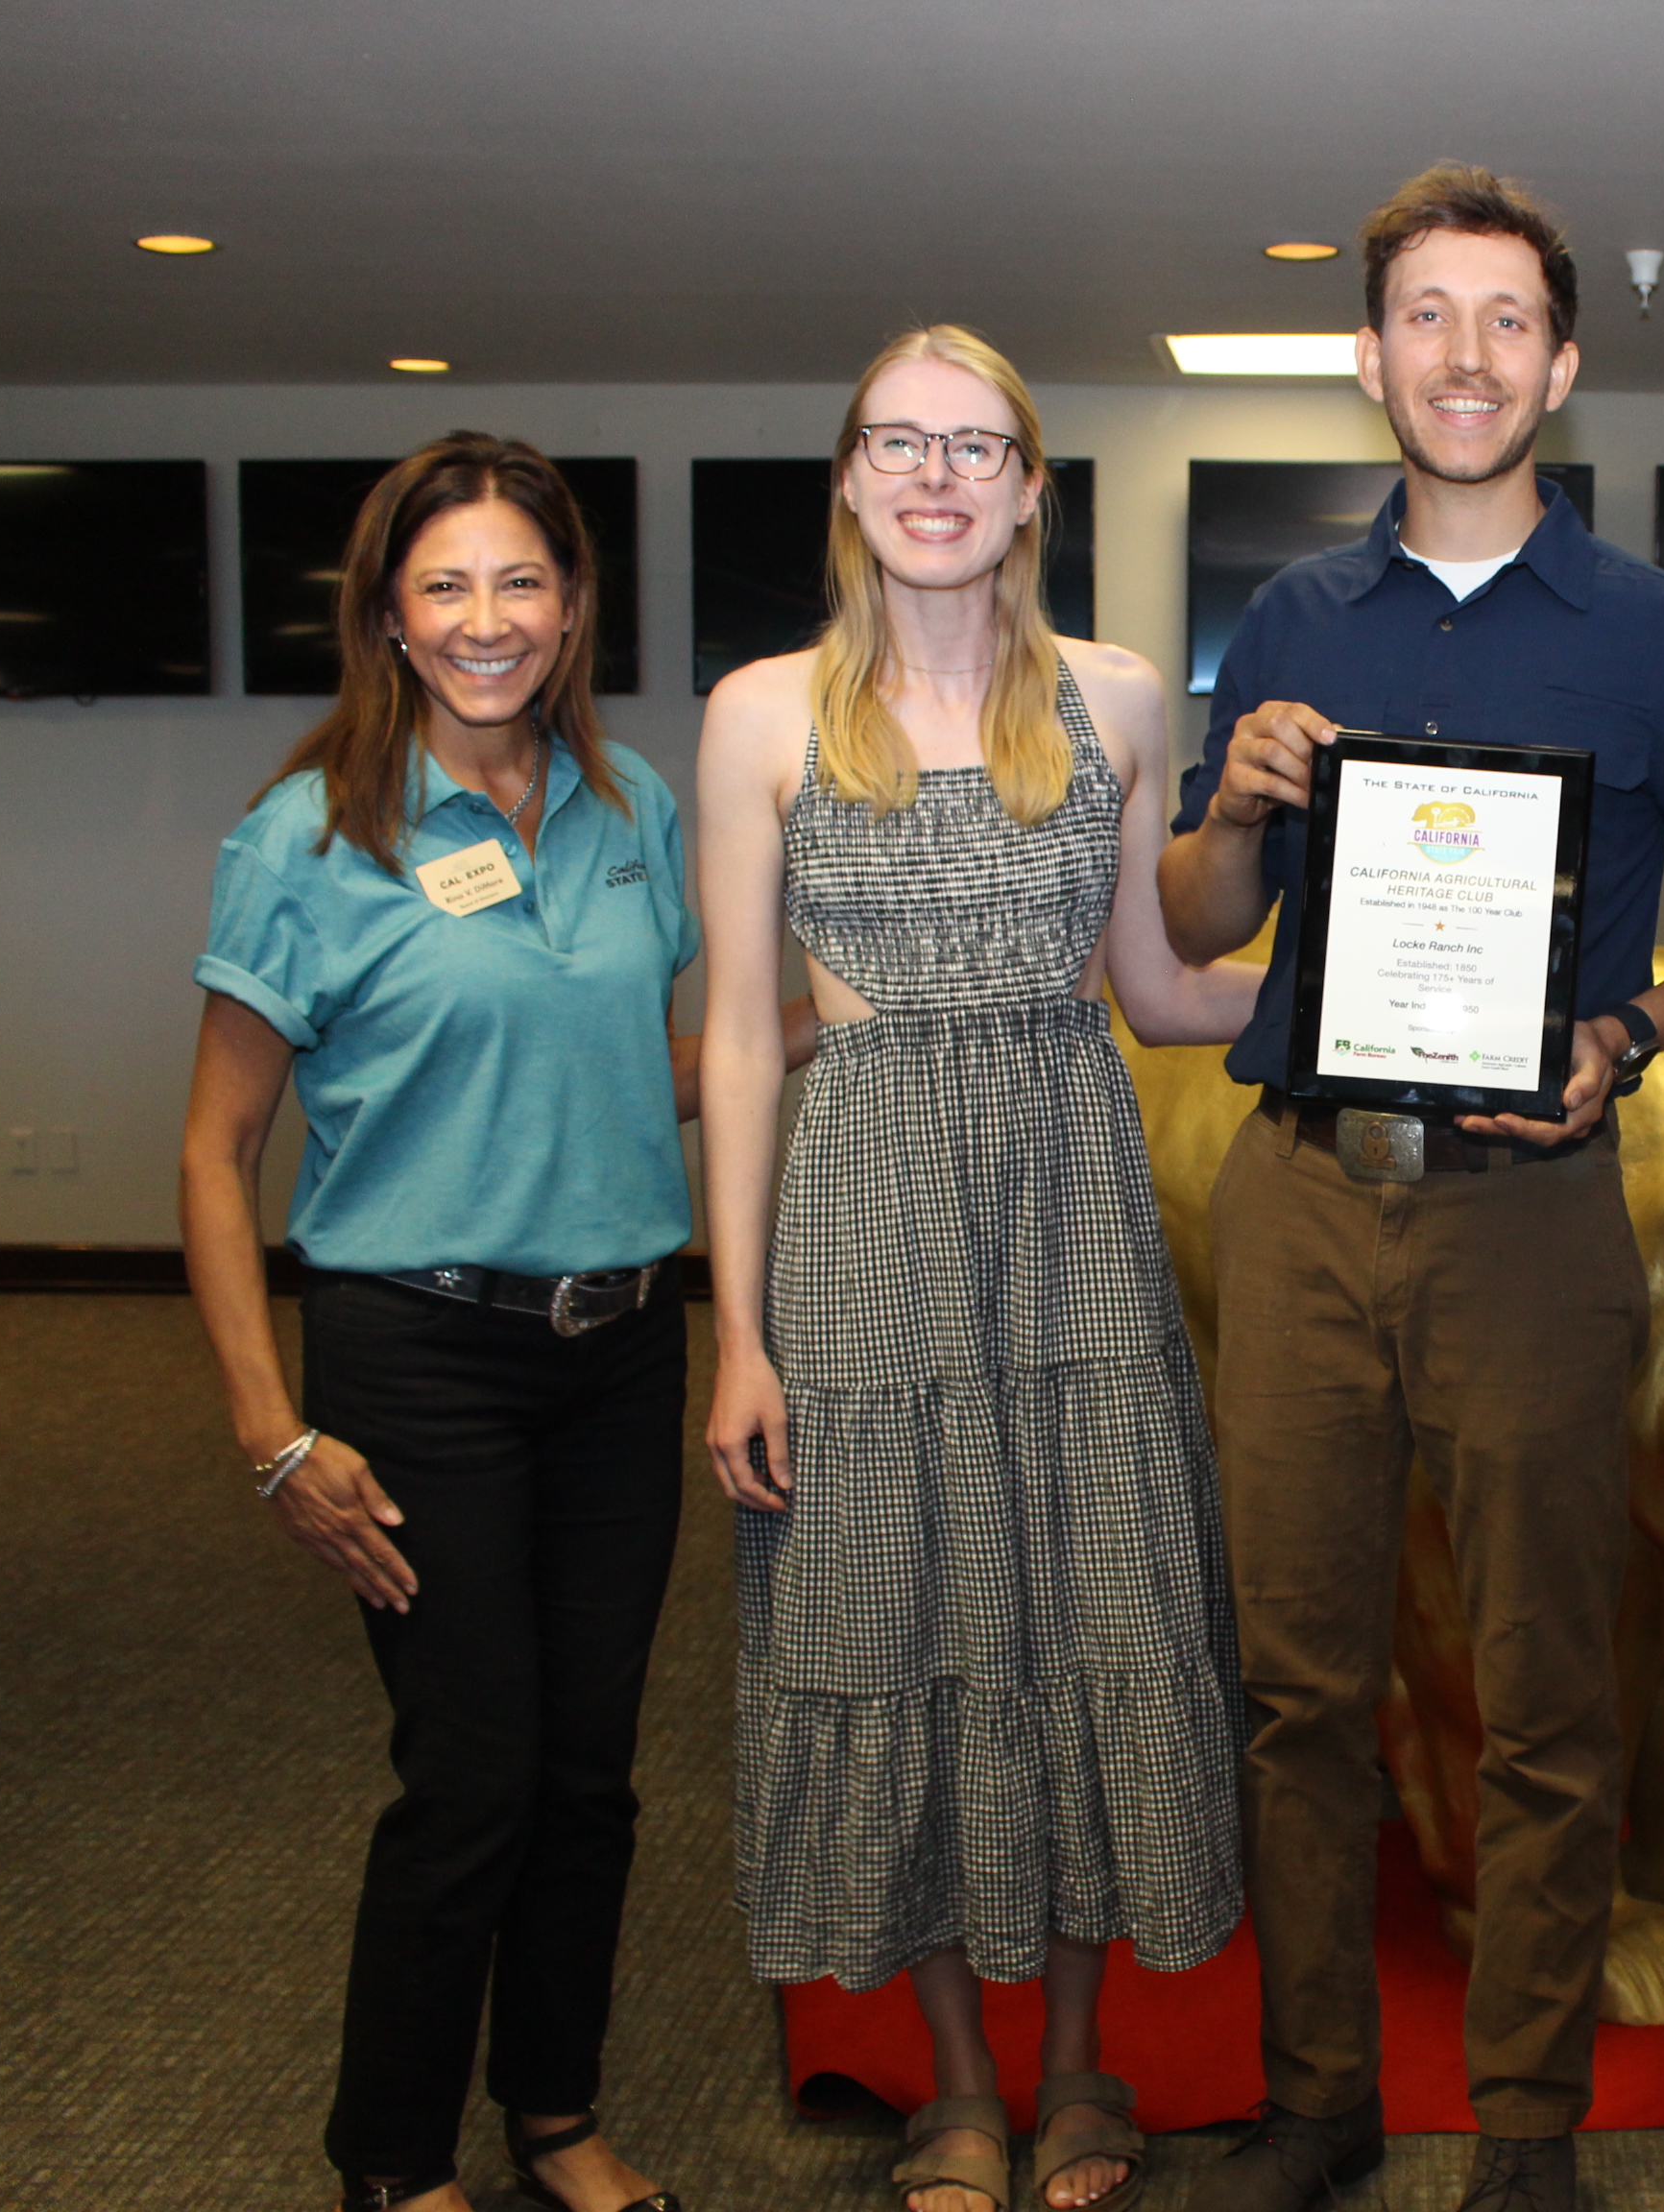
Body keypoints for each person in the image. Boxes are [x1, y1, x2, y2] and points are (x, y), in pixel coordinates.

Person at [1153, 165, 1664, 2212]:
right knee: (1298, 1687)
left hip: (1533, 1212)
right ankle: (1320, 2103)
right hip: (1305, 1199)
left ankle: (1527, 2127)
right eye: (1427, 315)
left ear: (1563, 364)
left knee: (1544, 1683)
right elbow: (1198, 915)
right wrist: (1234, 811)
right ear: (1372, 357)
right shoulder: (1289, 622)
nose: (1466, 355)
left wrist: (1636, 1032)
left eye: (1508, 319)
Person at [695, 325, 1255, 2212]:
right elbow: (742, 1043)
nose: (934, 477)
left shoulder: (1116, 697)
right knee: (901, 1621)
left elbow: (1160, 990)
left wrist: (1393, 1010)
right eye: (897, 443)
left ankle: (1080, 2067)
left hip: (1069, 1213)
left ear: (1030, 491)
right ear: (850, 481)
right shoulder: (763, 713)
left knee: (1086, 1610)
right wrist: (738, 1339)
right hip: (863, 1219)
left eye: (974, 446)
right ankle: (954, 2084)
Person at [181, 432, 775, 2212]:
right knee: (475, 1776)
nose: (486, 618)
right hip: (418, 1356)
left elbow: (625, 1068)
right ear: (388, 614)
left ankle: (556, 2116)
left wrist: (818, 1022)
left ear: (574, 605)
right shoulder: (310, 836)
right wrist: (268, 1430)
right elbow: (215, 1150)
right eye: (445, 585)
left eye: (522, 579)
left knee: (590, 1776)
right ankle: (389, 2159)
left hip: (619, 1353)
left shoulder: (628, 806)